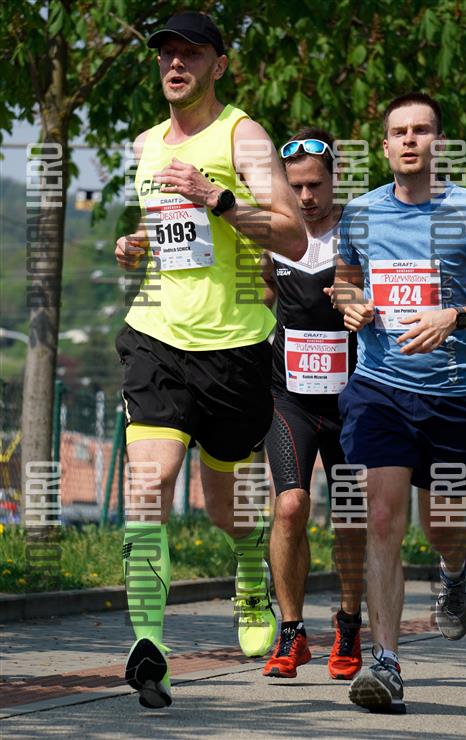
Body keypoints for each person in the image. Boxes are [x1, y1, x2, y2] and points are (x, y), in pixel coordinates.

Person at [114, 10, 306, 709]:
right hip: (156, 334)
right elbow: (172, 232)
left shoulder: (241, 135)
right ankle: (148, 645)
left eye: (191, 53)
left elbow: (290, 234)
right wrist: (138, 243)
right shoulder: (144, 145)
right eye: (166, 53)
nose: (175, 63)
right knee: (149, 483)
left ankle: (251, 571)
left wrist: (217, 197)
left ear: (218, 65)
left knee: (227, 510)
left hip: (234, 348)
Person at [332, 91, 466, 714]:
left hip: (452, 398)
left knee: (442, 525)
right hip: (379, 389)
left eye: (421, 130)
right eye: (398, 131)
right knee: (381, 519)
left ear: (439, 143)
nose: (409, 140)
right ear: (384, 145)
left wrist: (457, 316)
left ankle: (455, 568)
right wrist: (350, 303)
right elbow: (345, 279)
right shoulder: (361, 214)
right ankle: (387, 663)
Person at [261, 129, 365, 681]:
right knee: (290, 506)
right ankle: (291, 632)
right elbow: (264, 293)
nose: (305, 197)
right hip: (290, 398)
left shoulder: (358, 230)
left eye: (315, 185)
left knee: (349, 514)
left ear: (334, 179)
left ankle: (348, 625)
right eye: (296, 186)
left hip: (351, 401)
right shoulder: (275, 233)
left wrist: (358, 303)